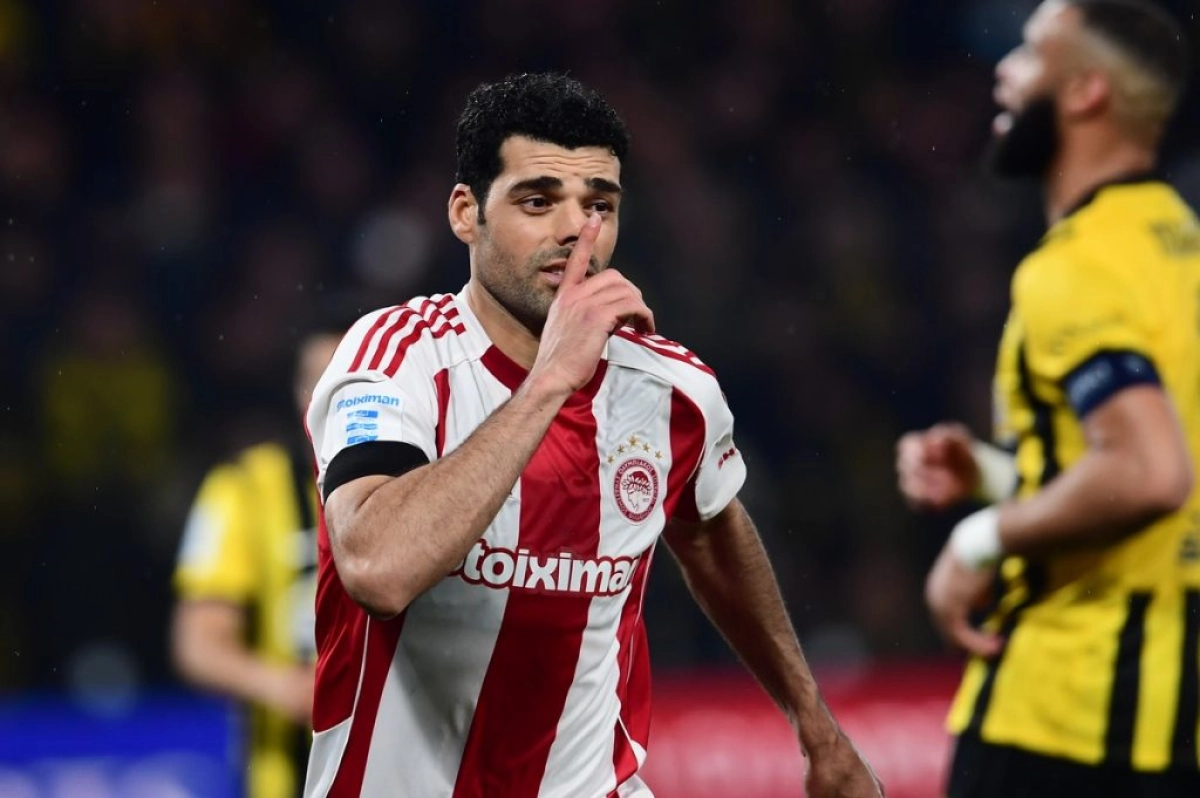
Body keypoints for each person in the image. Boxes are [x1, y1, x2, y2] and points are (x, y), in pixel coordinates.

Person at [302, 73, 881, 798]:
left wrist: (815, 725)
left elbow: (710, 529)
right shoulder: (396, 357)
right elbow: (376, 570)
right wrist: (549, 382)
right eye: (537, 201)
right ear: (465, 214)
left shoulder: (670, 389)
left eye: (599, 204)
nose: (577, 230)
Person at [896, 2, 1199, 796]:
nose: (1004, 71)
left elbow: (1149, 473)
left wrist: (978, 541)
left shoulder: (1077, 267)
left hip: (1066, 713)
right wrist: (998, 474)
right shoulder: (1181, 248)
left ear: (1086, 90)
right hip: (1177, 724)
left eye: (1030, 53)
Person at [172, 302, 359, 798]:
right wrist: (286, 686)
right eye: (316, 383)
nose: (329, 400)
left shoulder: (430, 481)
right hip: (287, 777)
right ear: (297, 393)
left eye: (347, 382)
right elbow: (199, 644)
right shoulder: (243, 488)